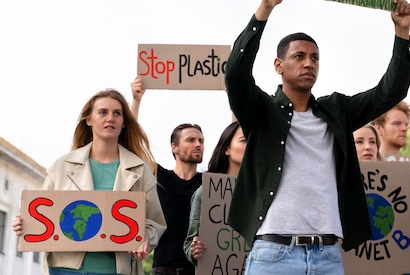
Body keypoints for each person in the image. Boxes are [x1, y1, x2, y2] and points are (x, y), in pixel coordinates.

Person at [224, 0, 410, 274]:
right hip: (274, 254)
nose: (309, 63)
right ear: (278, 65)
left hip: (327, 256)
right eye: (299, 56)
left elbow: (389, 92)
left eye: (314, 58)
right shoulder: (260, 110)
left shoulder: (336, 110)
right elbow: (234, 73)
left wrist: (402, 34)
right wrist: (264, 11)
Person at [12, 89, 167, 275]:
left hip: (116, 270)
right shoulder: (62, 166)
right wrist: (25, 224)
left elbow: (155, 223)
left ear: (124, 122)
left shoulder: (140, 171)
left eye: (117, 113)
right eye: (103, 112)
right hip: (65, 269)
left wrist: (145, 236)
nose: (110, 118)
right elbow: (43, 216)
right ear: (89, 120)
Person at [130, 76, 205, 275]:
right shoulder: (159, 176)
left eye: (201, 140)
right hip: (163, 269)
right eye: (191, 140)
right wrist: (136, 101)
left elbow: (236, 140)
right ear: (174, 147)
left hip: (198, 268)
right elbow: (130, 146)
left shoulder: (209, 183)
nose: (198, 144)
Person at [352, 125, 410, 256]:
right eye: (359, 141)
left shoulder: (401, 183)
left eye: (372, 142)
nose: (368, 146)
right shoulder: (334, 185)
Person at [183, 121, 246, 264]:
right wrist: (195, 250)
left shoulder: (265, 192)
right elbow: (189, 242)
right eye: (244, 140)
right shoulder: (206, 192)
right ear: (227, 149)